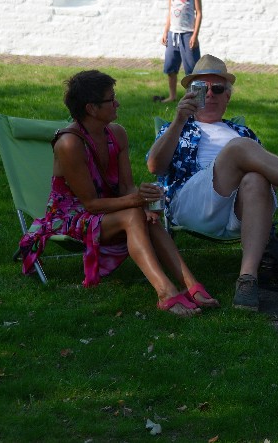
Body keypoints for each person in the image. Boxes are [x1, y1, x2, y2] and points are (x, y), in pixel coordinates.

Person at [146, 54, 278, 312]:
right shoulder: (180, 127)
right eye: (201, 89)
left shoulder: (242, 133)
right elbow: (154, 166)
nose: (210, 94)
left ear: (228, 96)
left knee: (256, 177)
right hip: (192, 203)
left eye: (217, 89)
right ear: (190, 95)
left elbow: (270, 177)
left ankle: (247, 281)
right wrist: (178, 120)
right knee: (238, 149)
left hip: (241, 209)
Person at [16, 70, 216, 317]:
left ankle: (190, 284)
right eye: (111, 99)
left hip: (110, 209)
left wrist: (144, 204)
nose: (117, 103)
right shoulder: (69, 144)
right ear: (91, 108)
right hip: (70, 218)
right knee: (133, 215)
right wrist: (136, 202)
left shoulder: (117, 133)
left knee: (147, 218)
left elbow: (126, 188)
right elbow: (90, 204)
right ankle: (165, 292)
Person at [155, 0, 203, 103]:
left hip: (187, 34)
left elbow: (199, 13)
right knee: (170, 67)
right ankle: (172, 96)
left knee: (192, 70)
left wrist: (194, 35)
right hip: (172, 34)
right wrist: (165, 31)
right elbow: (170, 11)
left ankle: (197, 99)